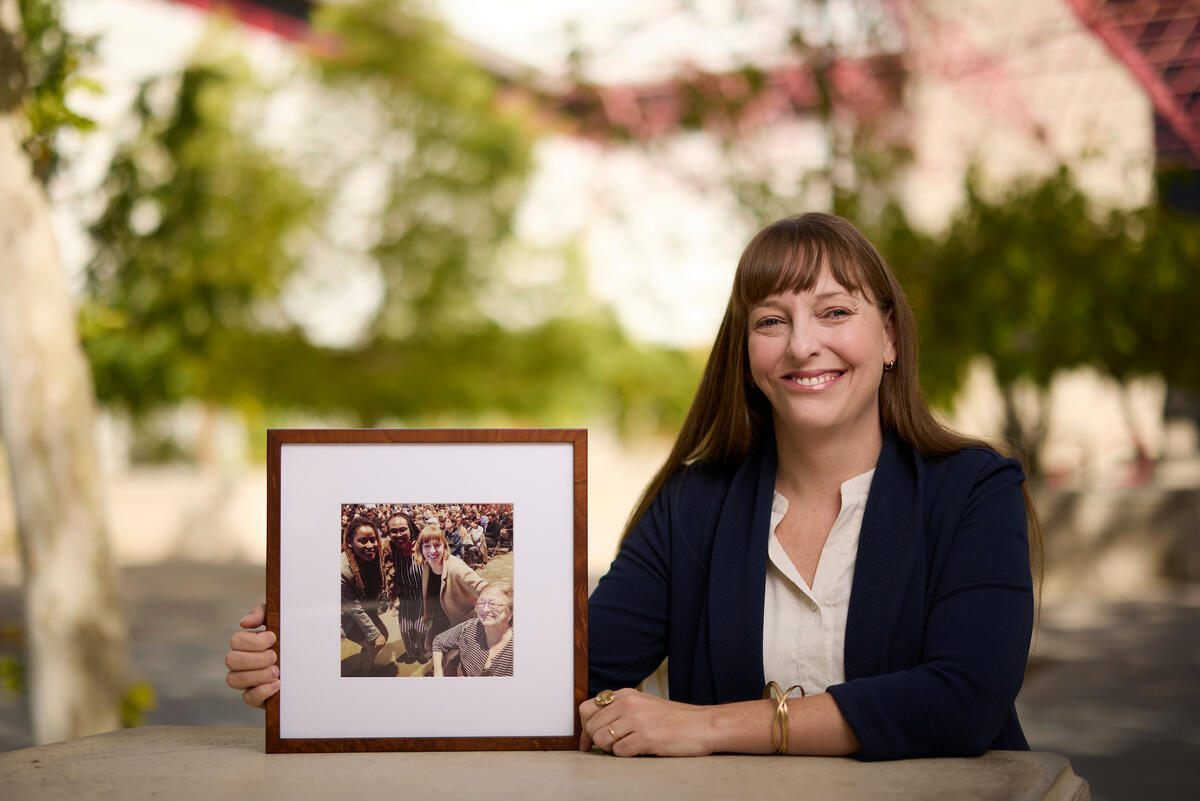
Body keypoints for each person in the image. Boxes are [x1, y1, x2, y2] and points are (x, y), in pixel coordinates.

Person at [226, 212, 1039, 761]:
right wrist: (317, 674)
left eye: (834, 312)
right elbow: (566, 675)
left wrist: (713, 727)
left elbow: (963, 698)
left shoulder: (972, 490)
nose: (802, 346)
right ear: (746, 351)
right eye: (770, 320)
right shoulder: (693, 506)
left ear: (889, 336)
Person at [413, 524, 488, 664]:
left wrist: (485, 612)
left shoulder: (456, 567)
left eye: (437, 545)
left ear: (444, 546)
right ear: (420, 549)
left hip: (460, 624)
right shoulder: (426, 567)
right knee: (434, 652)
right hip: (438, 621)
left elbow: (484, 588)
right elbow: (430, 602)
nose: (432, 550)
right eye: (427, 546)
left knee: (457, 663)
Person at [339, 517, 391, 676]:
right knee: (377, 641)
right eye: (362, 541)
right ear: (349, 542)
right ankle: (364, 674)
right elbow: (354, 609)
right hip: (346, 616)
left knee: (383, 637)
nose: (370, 546)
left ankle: (364, 668)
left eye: (372, 539)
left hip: (364, 610)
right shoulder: (342, 569)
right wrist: (373, 636)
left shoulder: (374, 556)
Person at [432, 582, 514, 677]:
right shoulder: (470, 627)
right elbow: (438, 642)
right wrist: (438, 672)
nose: (485, 609)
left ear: (511, 611)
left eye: (493, 604)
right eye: (481, 602)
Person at [383, 511, 426, 663]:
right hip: (405, 596)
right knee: (406, 630)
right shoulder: (389, 551)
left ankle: (422, 653)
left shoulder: (424, 546)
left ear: (410, 528)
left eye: (403, 529)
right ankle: (412, 653)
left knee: (421, 630)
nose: (399, 534)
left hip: (424, 596)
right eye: (393, 531)